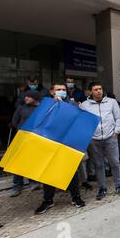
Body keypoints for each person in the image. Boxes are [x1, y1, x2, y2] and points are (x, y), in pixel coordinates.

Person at [34, 83, 86, 214]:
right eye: (58, 90)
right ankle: (48, 200)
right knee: (48, 173)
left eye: (64, 90)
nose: (62, 91)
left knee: (72, 172)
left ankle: (76, 197)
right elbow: (38, 122)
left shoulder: (73, 105)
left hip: (67, 143)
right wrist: (53, 106)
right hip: (49, 142)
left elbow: (78, 122)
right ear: (52, 92)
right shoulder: (45, 105)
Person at [80, 82, 120, 200]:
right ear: (91, 92)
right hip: (94, 140)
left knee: (115, 163)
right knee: (98, 165)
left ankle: (118, 185)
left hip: (110, 137)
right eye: (95, 89)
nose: (98, 91)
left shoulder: (112, 102)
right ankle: (102, 188)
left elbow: (119, 117)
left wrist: (116, 131)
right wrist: (88, 135)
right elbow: (82, 121)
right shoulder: (85, 105)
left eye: (100, 89)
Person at [9, 90, 41, 197]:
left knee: (32, 161)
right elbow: (14, 122)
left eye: (28, 97)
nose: (25, 98)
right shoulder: (21, 108)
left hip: (36, 139)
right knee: (18, 162)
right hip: (22, 138)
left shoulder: (41, 108)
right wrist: (22, 129)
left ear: (35, 98)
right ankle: (17, 186)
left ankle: (33, 182)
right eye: (25, 96)